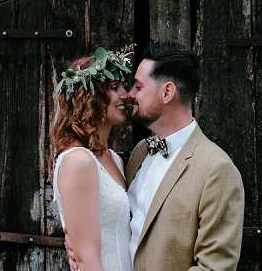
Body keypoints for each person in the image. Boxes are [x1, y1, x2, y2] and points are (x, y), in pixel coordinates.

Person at [67, 40, 245, 271]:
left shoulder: (217, 170)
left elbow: (213, 267)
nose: (130, 95)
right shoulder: (141, 153)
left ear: (167, 92)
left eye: (138, 87)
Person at [51, 46, 135, 271]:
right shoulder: (78, 161)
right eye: (114, 88)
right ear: (89, 96)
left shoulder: (114, 159)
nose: (125, 95)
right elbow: (88, 260)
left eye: (123, 87)